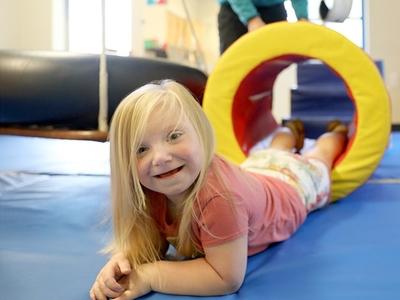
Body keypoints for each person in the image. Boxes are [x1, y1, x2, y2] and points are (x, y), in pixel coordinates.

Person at [89, 80, 347, 300]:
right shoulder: (153, 186)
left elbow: (226, 277)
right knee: (273, 152)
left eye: (174, 136)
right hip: (255, 172)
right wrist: (125, 262)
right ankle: (290, 131)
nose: (160, 158)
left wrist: (150, 275)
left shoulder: (221, 199)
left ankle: (336, 134)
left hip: (292, 186)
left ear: (201, 134)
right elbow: (151, 241)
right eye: (141, 149)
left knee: (318, 157)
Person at [218, 0, 308, 53]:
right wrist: (251, 18)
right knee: (233, 58)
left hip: (274, 7)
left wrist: (302, 17)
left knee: (279, 58)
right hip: (234, 10)